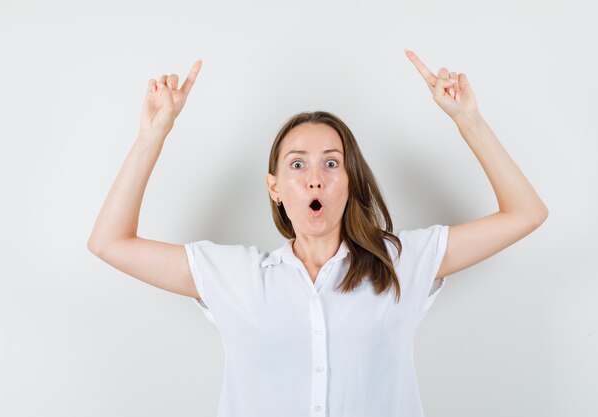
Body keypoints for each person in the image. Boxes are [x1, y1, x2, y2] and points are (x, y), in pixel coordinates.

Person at [87, 50, 548, 417]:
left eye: (331, 163)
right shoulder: (235, 276)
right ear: (275, 189)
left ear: (349, 181)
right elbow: (109, 242)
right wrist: (154, 134)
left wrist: (467, 119)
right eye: (297, 164)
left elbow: (525, 213)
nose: (315, 179)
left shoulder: (401, 262)